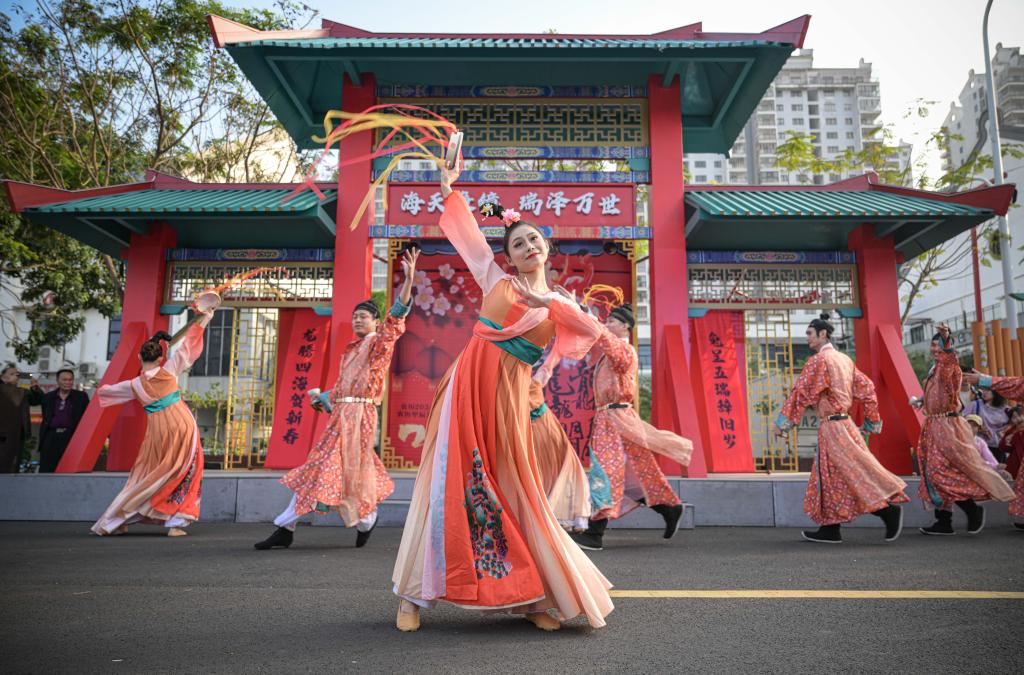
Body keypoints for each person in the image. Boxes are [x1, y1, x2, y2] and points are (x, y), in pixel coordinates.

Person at [391, 161, 613, 632]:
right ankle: (412, 594)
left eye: (534, 240)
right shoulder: (497, 280)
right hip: (468, 385)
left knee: (516, 485)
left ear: (546, 246)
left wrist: (546, 304)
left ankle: (531, 595)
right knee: (446, 482)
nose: (528, 247)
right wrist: (450, 189)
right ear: (509, 257)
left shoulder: (562, 302)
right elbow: (470, 234)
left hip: (510, 398)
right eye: (518, 244)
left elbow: (591, 330)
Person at [254, 249, 418, 550]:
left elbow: (396, 318)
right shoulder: (352, 350)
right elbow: (342, 390)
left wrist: (407, 281)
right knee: (326, 467)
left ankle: (294, 525)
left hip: (360, 418)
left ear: (375, 321)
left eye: (364, 316)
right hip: (341, 416)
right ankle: (291, 526)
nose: (357, 319)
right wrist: (323, 398)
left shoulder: (379, 344)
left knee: (338, 468)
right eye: (355, 316)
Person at [568, 302, 693, 551]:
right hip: (611, 420)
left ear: (626, 326)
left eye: (613, 321)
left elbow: (602, 338)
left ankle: (595, 533)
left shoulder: (623, 351)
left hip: (615, 421)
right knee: (630, 474)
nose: (608, 324)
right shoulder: (614, 351)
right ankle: (669, 509)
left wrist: (583, 313)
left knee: (605, 472)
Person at [774, 313, 908, 544]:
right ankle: (831, 528)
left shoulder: (818, 361)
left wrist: (783, 425)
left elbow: (801, 393)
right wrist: (871, 422)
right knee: (831, 476)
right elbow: (867, 389)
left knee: (845, 473)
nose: (807, 338)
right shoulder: (845, 360)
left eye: (809, 333)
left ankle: (886, 511)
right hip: (844, 424)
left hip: (832, 427)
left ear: (822, 334)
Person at [90, 307, 215, 536]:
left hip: (158, 431)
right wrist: (205, 318)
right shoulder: (169, 369)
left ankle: (116, 520)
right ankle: (175, 522)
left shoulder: (134, 385)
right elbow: (189, 345)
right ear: (160, 357)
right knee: (186, 469)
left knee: (146, 475)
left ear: (139, 357)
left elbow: (105, 392)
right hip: (182, 425)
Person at [914, 326, 1013, 536]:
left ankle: (971, 509)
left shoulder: (949, 366)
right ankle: (944, 521)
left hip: (948, 427)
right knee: (934, 473)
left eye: (937, 344)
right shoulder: (934, 369)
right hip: (935, 425)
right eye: (932, 344)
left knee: (943, 471)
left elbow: (950, 362)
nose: (934, 348)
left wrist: (947, 341)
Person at [528, 377, 591, 532]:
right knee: (551, 472)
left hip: (539, 429)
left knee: (549, 472)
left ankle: (550, 517)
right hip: (538, 430)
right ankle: (551, 517)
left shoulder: (521, 382)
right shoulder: (526, 381)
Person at [964, 370, 1024, 530]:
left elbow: (1018, 385)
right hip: (982, 446)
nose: (984, 393)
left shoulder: (1006, 411)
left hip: (997, 448)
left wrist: (985, 380)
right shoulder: (975, 406)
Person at [28, 369, 89, 472]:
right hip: (50, 436)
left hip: (71, 437)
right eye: (64, 380)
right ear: (57, 380)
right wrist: (35, 389)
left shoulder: (81, 397)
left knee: (69, 469)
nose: (68, 382)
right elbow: (34, 401)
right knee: (47, 469)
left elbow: (87, 417)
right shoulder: (48, 397)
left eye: (70, 380)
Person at [965, 387, 1010, 462]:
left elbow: (1013, 424)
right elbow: (962, 419)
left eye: (988, 390)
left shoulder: (1006, 409)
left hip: (998, 446)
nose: (984, 392)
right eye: (984, 389)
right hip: (979, 445)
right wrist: (977, 427)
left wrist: (1004, 431)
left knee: (997, 469)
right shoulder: (976, 405)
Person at [0, 364, 30, 473]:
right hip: (3, 435)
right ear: (2, 376)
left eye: (17, 374)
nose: (15, 376)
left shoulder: (22, 390)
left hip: (18, 434)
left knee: (14, 466)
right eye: (11, 374)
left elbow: (36, 399)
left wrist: (34, 386)